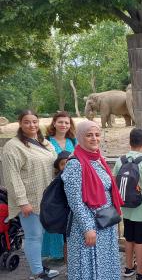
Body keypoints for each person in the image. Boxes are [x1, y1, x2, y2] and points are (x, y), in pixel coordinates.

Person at [61, 120, 123, 280]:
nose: (94, 138)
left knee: (105, 265)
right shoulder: (75, 164)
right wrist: (88, 228)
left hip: (104, 223)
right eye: (89, 135)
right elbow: (75, 201)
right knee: (88, 268)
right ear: (80, 137)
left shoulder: (97, 159)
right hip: (88, 227)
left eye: (97, 134)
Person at [2, 110, 59, 280]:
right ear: (20, 124)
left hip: (46, 198)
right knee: (33, 236)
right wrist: (22, 202)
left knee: (40, 234)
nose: (32, 125)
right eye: (27, 122)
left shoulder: (44, 143)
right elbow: (12, 178)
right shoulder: (13, 147)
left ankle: (40, 266)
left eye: (34, 121)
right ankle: (37, 273)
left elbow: (54, 165)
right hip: (29, 200)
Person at [112, 128, 142, 279]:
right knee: (141, 241)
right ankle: (141, 272)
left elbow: (114, 180)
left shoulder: (120, 160)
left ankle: (129, 267)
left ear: (129, 142)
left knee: (129, 239)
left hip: (126, 208)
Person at [43, 111, 77, 261]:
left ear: (70, 125)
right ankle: (56, 252)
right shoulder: (45, 142)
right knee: (56, 216)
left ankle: (70, 252)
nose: (63, 125)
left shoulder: (73, 141)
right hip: (54, 184)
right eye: (60, 122)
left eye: (67, 122)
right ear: (54, 123)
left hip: (70, 185)